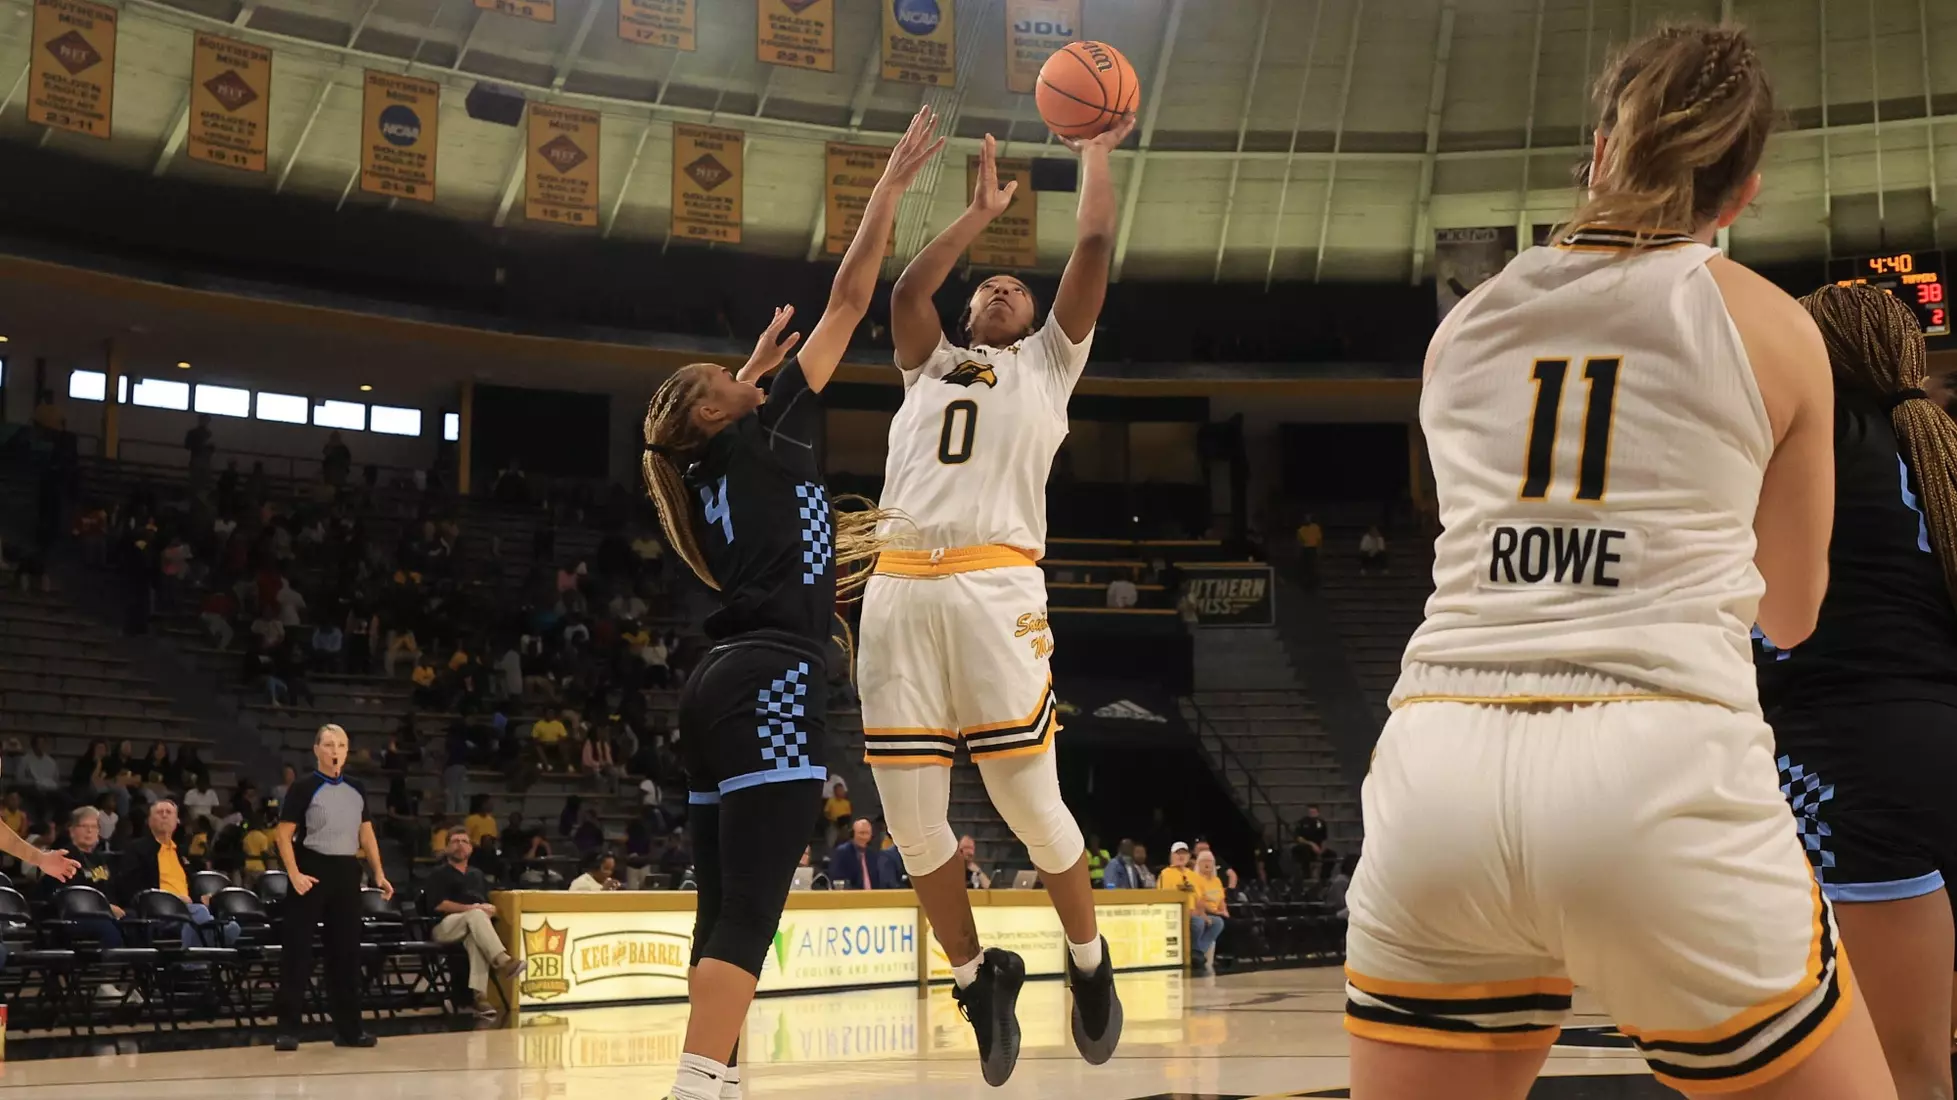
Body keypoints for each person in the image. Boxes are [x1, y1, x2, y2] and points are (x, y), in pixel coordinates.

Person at [1344, 25, 1895, 1100]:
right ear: (1740, 195)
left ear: (1598, 151)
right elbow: (1791, 612)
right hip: (1657, 767)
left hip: (1437, 767)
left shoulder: (1462, 326)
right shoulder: (1771, 326)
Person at [639, 105, 943, 1100]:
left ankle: (717, 1083)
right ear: (715, 410)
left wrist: (751, 373)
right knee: (750, 912)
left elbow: (715, 415)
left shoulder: (705, 470)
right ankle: (694, 1086)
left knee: (721, 909)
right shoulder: (763, 438)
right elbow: (851, 297)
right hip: (770, 678)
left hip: (717, 687)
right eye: (729, 377)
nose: (750, 374)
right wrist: (889, 186)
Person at [858, 110, 1135, 1086]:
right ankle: (977, 979)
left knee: (1028, 801)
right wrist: (976, 214)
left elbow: (1092, 248)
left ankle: (1089, 961)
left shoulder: (1050, 364)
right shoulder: (926, 364)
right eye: (989, 287)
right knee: (911, 823)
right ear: (969, 314)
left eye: (1018, 287)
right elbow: (906, 289)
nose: (1004, 289)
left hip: (994, 580)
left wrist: (1093, 155)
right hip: (896, 588)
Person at [1748, 284, 1957, 1100]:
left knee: (1895, 1075)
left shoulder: (1808, 439)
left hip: (1846, 764)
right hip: (1938, 737)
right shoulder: (1935, 442)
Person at [274, 724, 390, 1051]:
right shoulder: (304, 787)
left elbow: (366, 833)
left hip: (346, 871)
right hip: (311, 868)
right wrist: (294, 874)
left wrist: (378, 872)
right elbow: (283, 834)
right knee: (298, 950)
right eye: (328, 745)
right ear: (316, 750)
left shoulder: (357, 788)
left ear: (347, 750)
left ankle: (349, 1030)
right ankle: (288, 1030)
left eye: (340, 745)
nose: (335, 751)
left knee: (346, 952)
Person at [423, 828, 526, 1020]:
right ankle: (503, 960)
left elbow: (483, 902)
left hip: (472, 927)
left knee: (475, 940)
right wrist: (471, 909)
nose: (460, 845)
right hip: (444, 926)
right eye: (455, 841)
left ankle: (479, 997)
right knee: (476, 914)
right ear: (446, 848)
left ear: (471, 848)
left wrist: (491, 909)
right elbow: (438, 904)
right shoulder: (438, 873)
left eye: (464, 841)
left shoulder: (477, 874)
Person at [117, 800, 237, 950]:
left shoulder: (180, 853)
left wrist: (201, 898)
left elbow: (188, 887)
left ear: (177, 821)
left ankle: (195, 956)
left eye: (169, 812)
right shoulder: (136, 849)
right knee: (201, 915)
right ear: (149, 821)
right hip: (159, 912)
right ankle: (196, 959)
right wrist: (172, 899)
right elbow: (130, 888)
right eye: (159, 812)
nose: (164, 815)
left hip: (189, 910)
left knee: (232, 927)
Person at [1186, 850, 1228, 974]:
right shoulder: (1196, 879)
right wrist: (1214, 912)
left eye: (1210, 861)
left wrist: (1224, 910)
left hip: (1216, 912)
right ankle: (1198, 953)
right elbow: (1199, 901)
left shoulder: (1217, 880)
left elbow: (1222, 899)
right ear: (1198, 863)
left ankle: (1198, 951)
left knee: (1227, 922)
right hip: (1204, 911)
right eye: (1204, 861)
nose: (1207, 864)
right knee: (1218, 922)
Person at [830, 818, 900, 891]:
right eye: (861, 833)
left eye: (867, 833)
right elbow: (837, 879)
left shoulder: (872, 854)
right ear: (853, 834)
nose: (864, 837)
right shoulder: (843, 852)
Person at [1291, 806, 1337, 882]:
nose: (1312, 814)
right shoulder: (1302, 822)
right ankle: (1307, 876)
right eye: (1311, 812)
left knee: (1332, 854)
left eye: (1314, 812)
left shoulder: (1321, 823)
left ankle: (1324, 877)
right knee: (1303, 851)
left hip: (1318, 848)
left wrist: (1322, 849)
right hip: (1306, 846)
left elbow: (1324, 838)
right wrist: (1311, 844)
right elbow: (1298, 838)